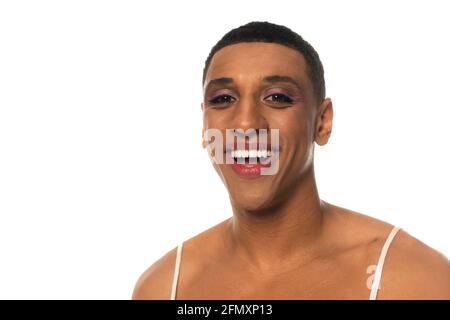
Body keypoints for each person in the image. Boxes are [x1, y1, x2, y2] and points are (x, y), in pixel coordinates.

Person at [132, 21, 450, 300]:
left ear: (322, 122)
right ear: (205, 125)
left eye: (278, 98)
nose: (245, 124)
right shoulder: (163, 288)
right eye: (223, 99)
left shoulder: (411, 279)